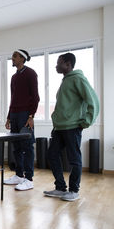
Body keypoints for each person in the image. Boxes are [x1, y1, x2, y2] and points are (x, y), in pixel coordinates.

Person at [44, 53, 99, 201]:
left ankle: (74, 190)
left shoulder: (78, 79)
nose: (56, 66)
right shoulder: (66, 80)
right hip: (60, 128)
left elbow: (93, 101)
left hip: (72, 127)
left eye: (59, 63)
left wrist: (86, 121)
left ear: (68, 64)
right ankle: (61, 188)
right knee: (52, 155)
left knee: (74, 159)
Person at [3, 49, 40, 191]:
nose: (12, 58)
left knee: (27, 146)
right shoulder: (14, 77)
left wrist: (31, 116)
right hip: (14, 115)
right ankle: (19, 175)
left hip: (26, 115)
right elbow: (13, 99)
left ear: (22, 59)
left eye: (15, 56)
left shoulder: (31, 73)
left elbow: (35, 97)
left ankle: (29, 178)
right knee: (17, 147)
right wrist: (8, 117)